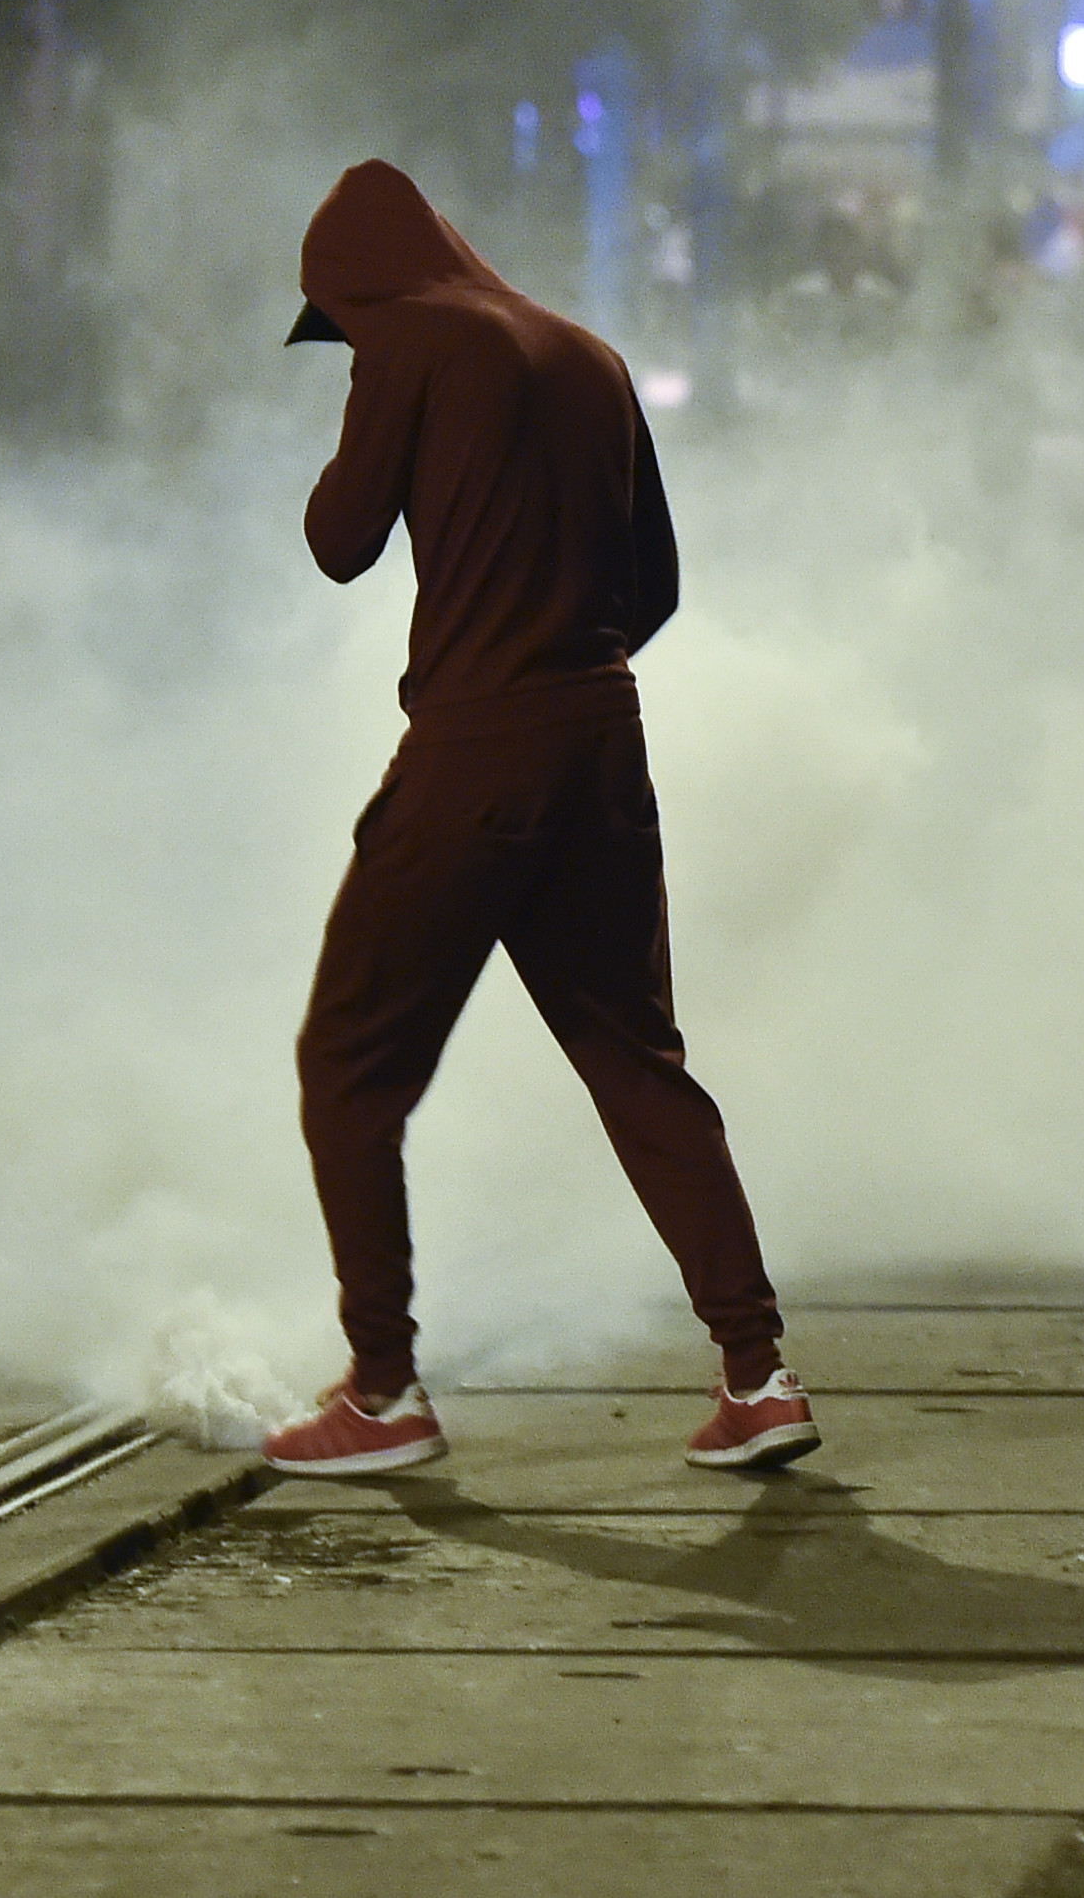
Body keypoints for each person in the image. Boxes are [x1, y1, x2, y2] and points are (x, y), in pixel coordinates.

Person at [266, 160, 811, 1480]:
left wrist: (371, 419)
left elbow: (339, 538)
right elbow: (659, 583)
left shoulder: (412, 341)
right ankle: (757, 1371)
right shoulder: (589, 354)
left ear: (355, 288)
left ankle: (384, 1388)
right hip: (601, 741)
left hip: (474, 753)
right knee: (636, 1057)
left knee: (349, 1065)